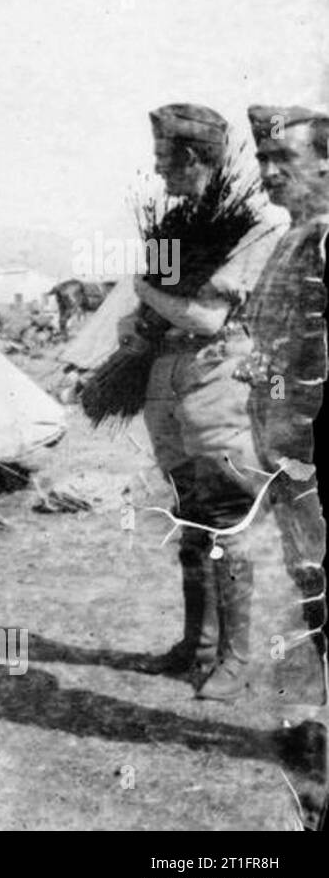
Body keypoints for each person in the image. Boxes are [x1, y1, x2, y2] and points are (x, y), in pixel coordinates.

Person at [124, 104, 284, 699]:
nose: (160, 172)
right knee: (190, 513)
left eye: (166, 160)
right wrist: (137, 324)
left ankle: (236, 658)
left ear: (192, 158)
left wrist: (144, 291)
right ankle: (199, 645)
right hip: (169, 374)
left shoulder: (253, 225)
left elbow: (210, 315)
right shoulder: (179, 222)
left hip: (219, 379)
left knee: (225, 517)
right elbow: (159, 309)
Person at [238, 105, 328, 709]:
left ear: (325, 161)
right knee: (311, 576)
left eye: (283, 158)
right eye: (263, 160)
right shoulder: (290, 236)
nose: (269, 172)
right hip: (287, 447)